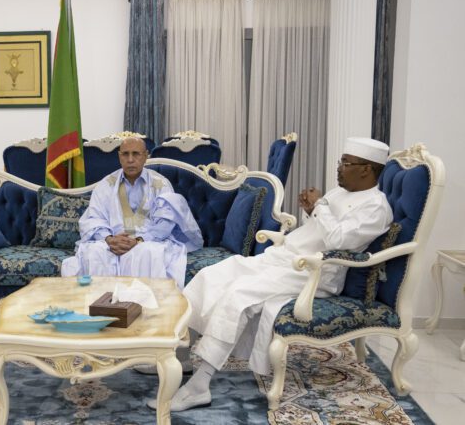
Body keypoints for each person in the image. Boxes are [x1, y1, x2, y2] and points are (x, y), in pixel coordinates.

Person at [149, 137, 394, 412]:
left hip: (313, 272)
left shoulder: (376, 207)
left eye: (346, 163)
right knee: (210, 275)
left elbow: (338, 240)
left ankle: (199, 386)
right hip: (284, 258)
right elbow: (317, 229)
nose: (339, 168)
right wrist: (310, 210)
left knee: (239, 295)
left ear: (366, 169)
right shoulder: (339, 192)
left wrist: (319, 207)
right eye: (341, 161)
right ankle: (181, 355)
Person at [61, 137, 203, 288]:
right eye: (125, 154)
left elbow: (165, 224)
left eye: (136, 154)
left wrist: (138, 240)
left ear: (145, 156)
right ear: (119, 156)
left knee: (147, 252)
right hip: (113, 241)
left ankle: (143, 300)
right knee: (95, 251)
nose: (130, 159)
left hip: (148, 241)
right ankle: (102, 300)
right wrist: (109, 239)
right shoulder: (106, 185)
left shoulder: (161, 184)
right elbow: (94, 218)